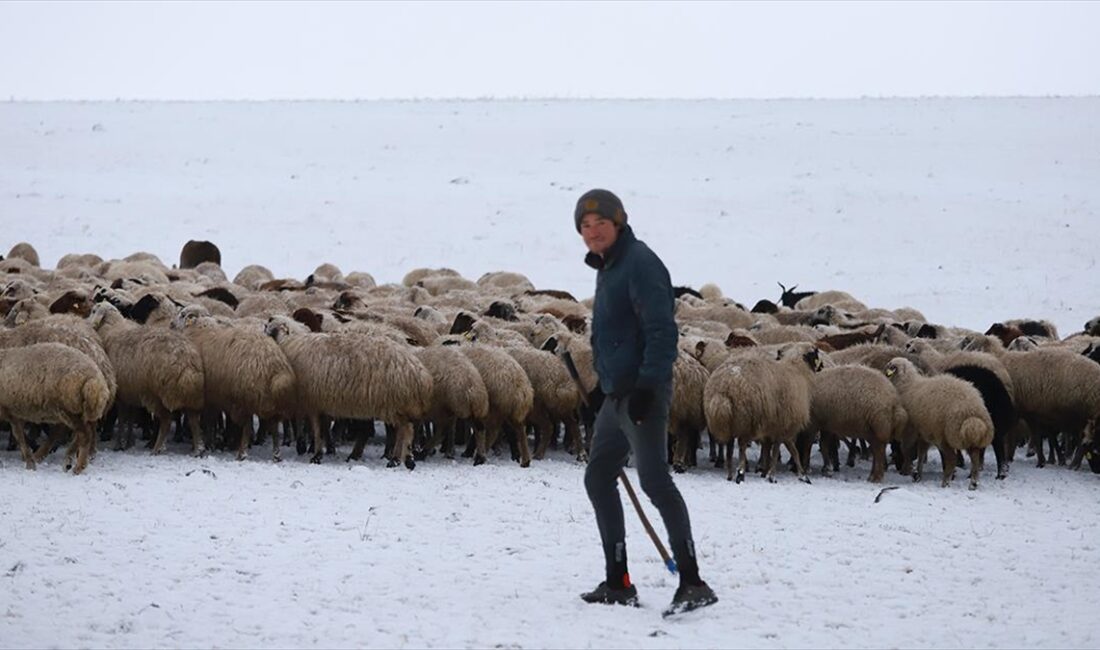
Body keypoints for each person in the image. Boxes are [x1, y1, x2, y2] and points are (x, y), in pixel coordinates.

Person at [574, 188, 718, 616]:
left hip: (642, 396)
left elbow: (661, 332)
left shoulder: (640, 263)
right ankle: (618, 581)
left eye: (600, 223)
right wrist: (604, 383)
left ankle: (693, 581)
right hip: (617, 396)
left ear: (619, 223)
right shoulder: (609, 267)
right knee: (599, 477)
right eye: (585, 226)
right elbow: (614, 333)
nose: (592, 232)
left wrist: (648, 388)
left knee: (654, 482)